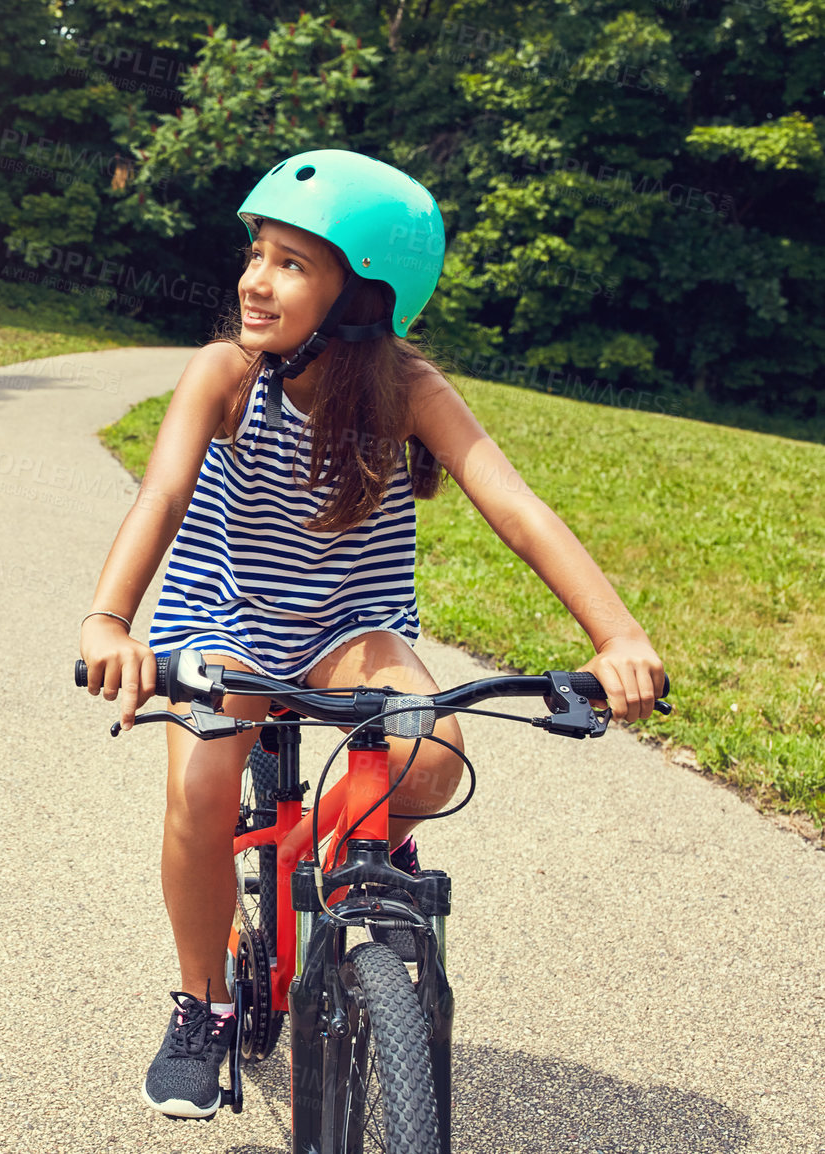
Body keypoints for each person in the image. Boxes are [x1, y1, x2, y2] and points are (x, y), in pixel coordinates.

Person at [76, 148, 665, 1120]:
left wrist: (618, 635)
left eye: (290, 264)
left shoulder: (409, 388)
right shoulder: (227, 374)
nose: (253, 281)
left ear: (361, 298)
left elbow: (514, 506)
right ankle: (203, 1003)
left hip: (351, 624)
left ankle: (339, 848)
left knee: (430, 758)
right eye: (255, 253)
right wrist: (109, 618)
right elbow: (164, 491)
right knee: (202, 780)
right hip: (224, 618)